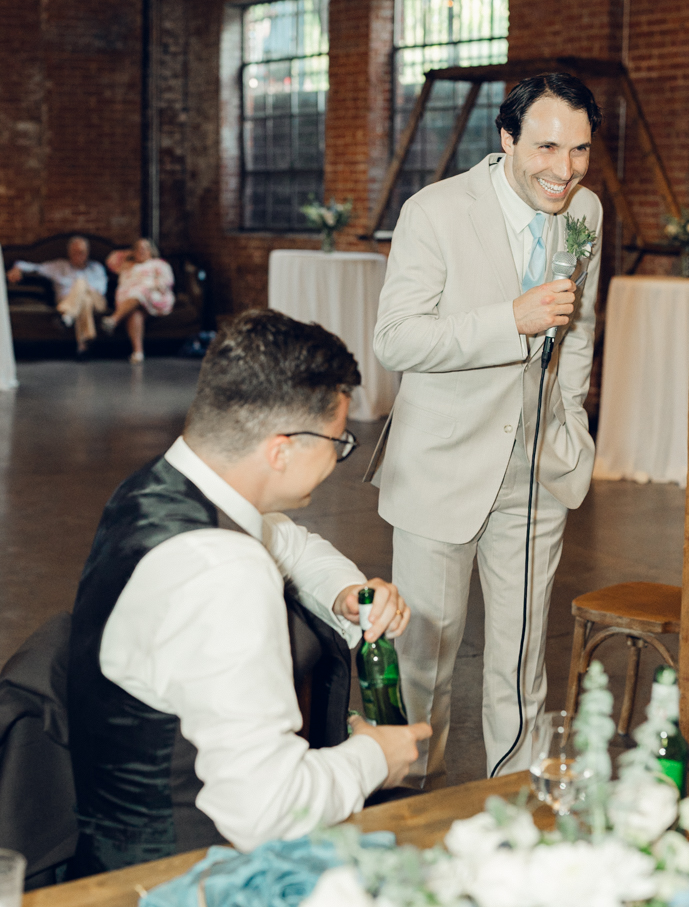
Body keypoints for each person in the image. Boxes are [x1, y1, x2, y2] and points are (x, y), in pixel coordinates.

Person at [67, 308, 430, 877]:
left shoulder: (158, 488)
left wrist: (346, 592)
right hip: (184, 872)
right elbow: (267, 811)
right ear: (281, 448)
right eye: (339, 442)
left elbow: (288, 541)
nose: (337, 459)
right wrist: (375, 757)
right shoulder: (224, 570)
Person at [373, 72, 603, 789]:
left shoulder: (585, 211)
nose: (561, 170)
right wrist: (510, 317)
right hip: (441, 467)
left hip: (537, 470)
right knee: (424, 664)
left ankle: (517, 804)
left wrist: (568, 426)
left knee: (520, 658)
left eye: (578, 150)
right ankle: (412, 802)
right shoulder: (436, 211)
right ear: (505, 140)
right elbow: (396, 340)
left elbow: (581, 328)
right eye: (544, 147)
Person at [6, 235, 108, 357]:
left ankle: (66, 316)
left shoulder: (96, 268)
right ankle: (84, 345)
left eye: (82, 252)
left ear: (88, 253)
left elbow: (101, 290)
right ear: (69, 253)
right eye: (75, 252)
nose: (79, 255)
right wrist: (17, 267)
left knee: (81, 283)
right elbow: (34, 267)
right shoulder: (59, 266)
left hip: (97, 301)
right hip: (73, 301)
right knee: (84, 301)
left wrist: (82, 288)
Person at [102, 238, 175, 363]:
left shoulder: (159, 264)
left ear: (151, 250)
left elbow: (167, 282)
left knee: (138, 292)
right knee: (135, 313)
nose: (141, 251)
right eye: (138, 249)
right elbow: (110, 260)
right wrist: (129, 253)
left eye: (145, 248)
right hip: (129, 300)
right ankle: (138, 352)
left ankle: (113, 319)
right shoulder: (127, 265)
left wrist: (150, 286)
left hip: (152, 295)